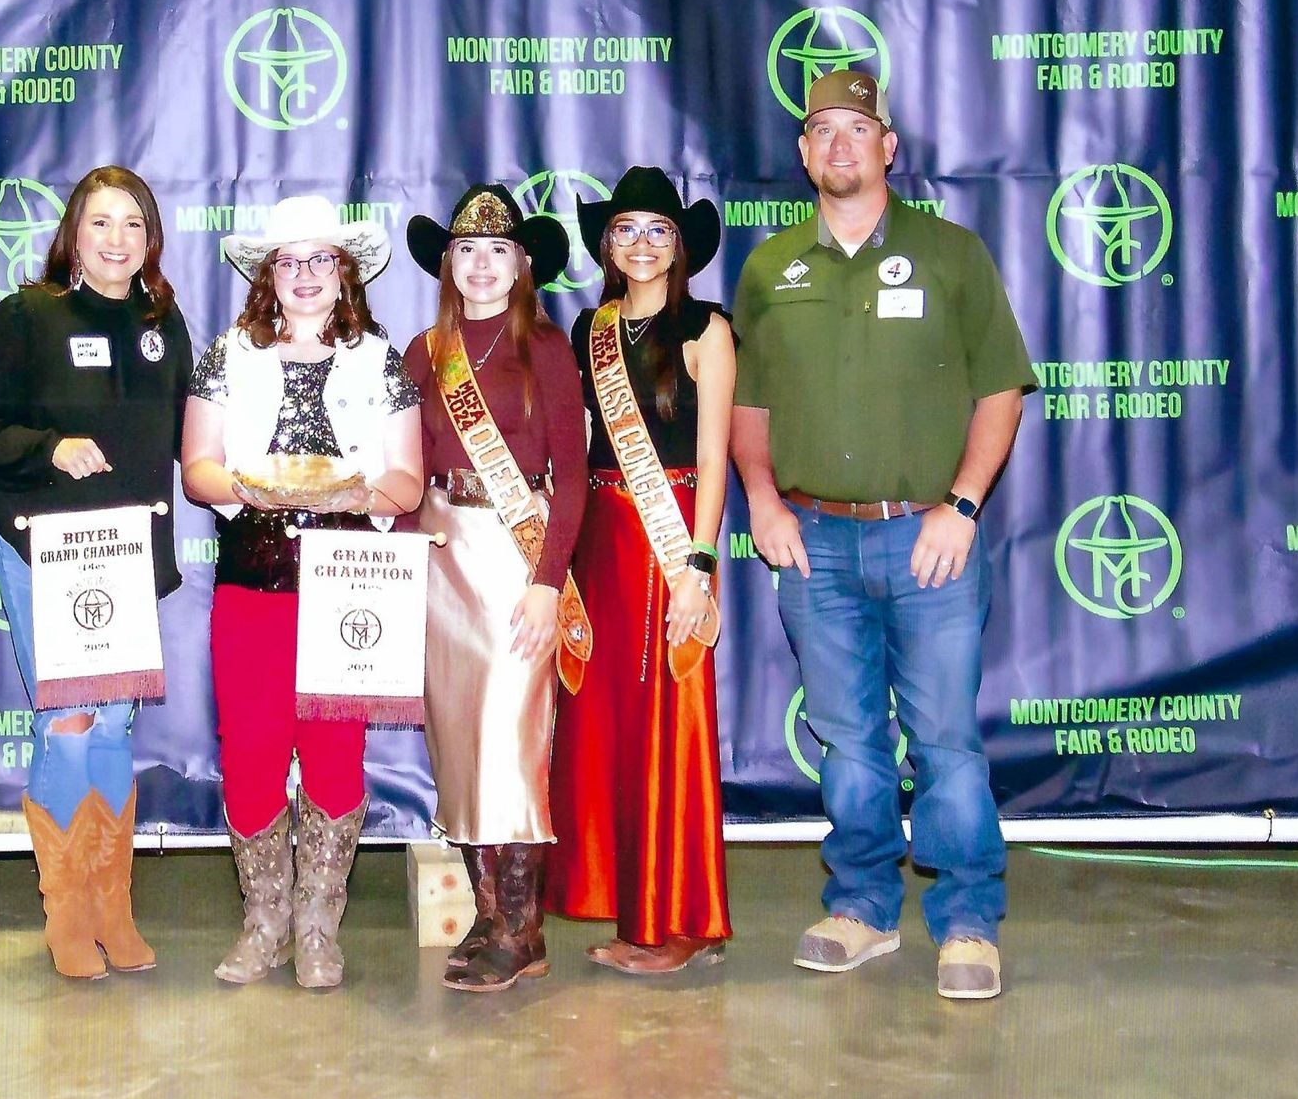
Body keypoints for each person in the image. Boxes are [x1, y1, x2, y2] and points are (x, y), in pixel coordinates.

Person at [730, 69, 1034, 1001]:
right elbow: (749, 405)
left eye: (858, 128)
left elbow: (1000, 389)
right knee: (850, 740)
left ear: (889, 146)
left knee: (944, 738)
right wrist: (765, 500)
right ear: (803, 153)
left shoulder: (951, 255)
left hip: (927, 540)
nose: (840, 145)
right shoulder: (770, 267)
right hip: (814, 541)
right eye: (822, 130)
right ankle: (862, 906)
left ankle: (969, 919)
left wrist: (964, 503)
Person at [0, 166, 193, 980]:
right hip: (38, 545)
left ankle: (110, 904)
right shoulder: (28, 316)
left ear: (150, 238)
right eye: (100, 223)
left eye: (133, 224)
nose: (117, 239)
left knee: (117, 725)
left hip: (127, 555)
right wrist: (47, 448)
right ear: (73, 235)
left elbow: (199, 429)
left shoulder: (166, 323)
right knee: (71, 721)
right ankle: (67, 912)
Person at [180, 195, 423, 990]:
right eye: (291, 261)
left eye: (322, 260)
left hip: (349, 582)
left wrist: (357, 496)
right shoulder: (225, 355)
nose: (308, 275)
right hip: (252, 578)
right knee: (249, 748)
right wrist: (252, 485)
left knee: (334, 750)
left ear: (344, 272)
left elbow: (405, 481)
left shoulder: (381, 362)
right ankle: (265, 922)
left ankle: (320, 922)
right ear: (268, 276)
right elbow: (197, 469)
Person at [546, 166, 735, 975]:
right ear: (606, 245)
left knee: (672, 726)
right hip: (601, 545)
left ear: (680, 245)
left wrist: (697, 562)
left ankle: (680, 919)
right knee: (609, 729)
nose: (643, 243)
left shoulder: (707, 327)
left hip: (670, 544)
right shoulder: (590, 328)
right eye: (627, 229)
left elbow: (717, 454)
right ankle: (630, 905)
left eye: (659, 229)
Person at [401, 184, 589, 992]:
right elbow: (407, 467)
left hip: (518, 553)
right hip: (444, 556)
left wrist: (549, 582)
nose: (481, 264)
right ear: (449, 262)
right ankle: (489, 913)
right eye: (467, 250)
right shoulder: (421, 351)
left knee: (511, 740)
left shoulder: (545, 346)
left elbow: (574, 476)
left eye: (498, 250)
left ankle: (524, 922)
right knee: (460, 740)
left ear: (522, 265)